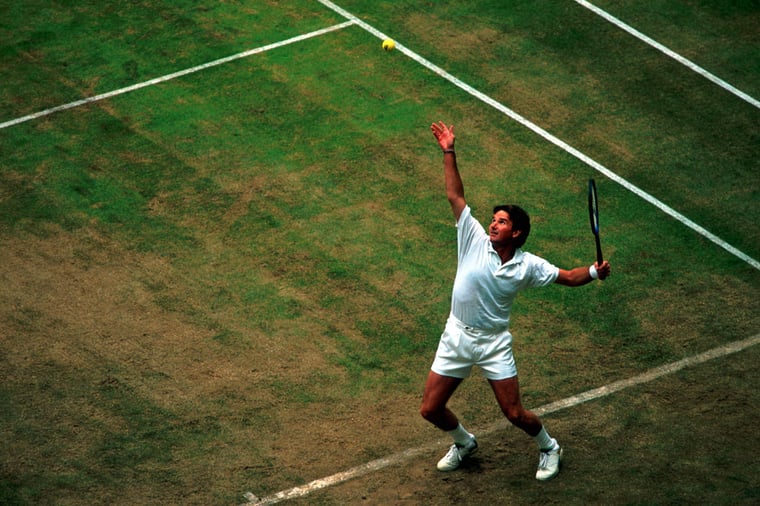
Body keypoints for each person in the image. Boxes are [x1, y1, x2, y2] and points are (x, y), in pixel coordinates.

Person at [420, 121, 611, 481]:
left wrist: (594, 270)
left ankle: (549, 447)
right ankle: (464, 442)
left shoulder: (528, 266)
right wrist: (448, 151)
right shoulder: (473, 237)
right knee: (430, 409)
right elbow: (455, 197)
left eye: (501, 222)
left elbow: (568, 277)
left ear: (516, 232)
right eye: (493, 219)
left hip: (492, 343)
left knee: (514, 413)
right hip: (457, 336)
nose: (492, 224)